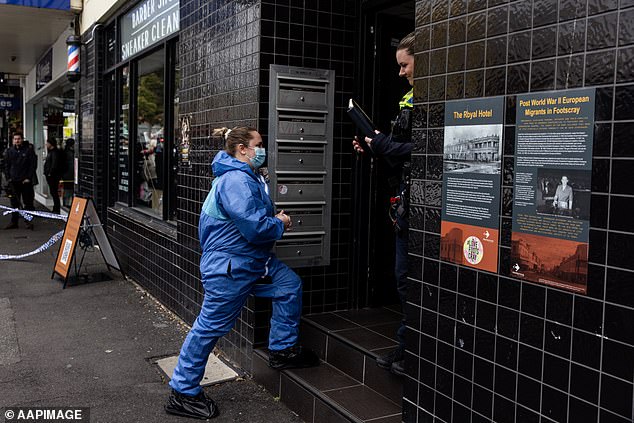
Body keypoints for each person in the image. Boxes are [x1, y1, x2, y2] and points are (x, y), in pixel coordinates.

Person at [165, 126, 319, 419]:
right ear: (243, 149)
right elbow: (254, 227)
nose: (263, 150)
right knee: (210, 326)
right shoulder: (236, 179)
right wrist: (281, 223)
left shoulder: (247, 176)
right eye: (258, 144)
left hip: (251, 263)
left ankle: (282, 349)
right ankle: (183, 391)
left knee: (288, 285)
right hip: (231, 267)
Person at [352, 31, 415, 376]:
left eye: (404, 64)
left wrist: (385, 146)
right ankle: (405, 349)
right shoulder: (410, 98)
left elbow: (432, 150)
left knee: (407, 279)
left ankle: (410, 351)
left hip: (425, 205)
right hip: (407, 201)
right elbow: (403, 152)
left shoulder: (434, 99)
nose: (401, 72)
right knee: (403, 278)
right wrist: (375, 147)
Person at [3, 132, 37, 230]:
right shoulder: (9, 151)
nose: (17, 141)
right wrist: (8, 178)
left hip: (25, 181)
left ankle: (28, 221)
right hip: (13, 181)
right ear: (13, 140)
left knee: (28, 202)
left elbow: (32, 165)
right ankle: (14, 222)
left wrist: (28, 178)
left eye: (19, 139)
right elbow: (6, 166)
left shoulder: (28, 151)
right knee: (14, 203)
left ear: (22, 139)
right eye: (15, 139)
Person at [44, 139, 66, 214]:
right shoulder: (53, 152)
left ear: (51, 144)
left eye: (47, 143)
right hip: (52, 175)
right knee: (53, 192)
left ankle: (56, 208)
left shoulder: (54, 152)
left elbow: (54, 164)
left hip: (53, 176)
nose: (46, 144)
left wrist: (50, 173)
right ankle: (56, 207)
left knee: (54, 192)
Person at [62, 139, 75, 207]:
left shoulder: (65, 152)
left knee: (67, 189)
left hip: (66, 175)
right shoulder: (70, 153)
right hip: (70, 174)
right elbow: (72, 165)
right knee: (70, 189)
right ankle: (68, 204)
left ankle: (66, 203)